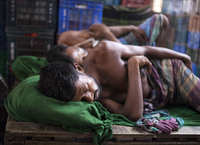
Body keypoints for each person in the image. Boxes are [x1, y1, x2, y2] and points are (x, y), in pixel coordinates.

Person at [38, 40, 200, 121]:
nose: (89, 97)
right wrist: (133, 64)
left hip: (171, 75)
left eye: (86, 88)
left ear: (78, 68)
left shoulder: (104, 51)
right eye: (82, 99)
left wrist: (183, 56)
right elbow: (133, 114)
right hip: (166, 99)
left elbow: (147, 50)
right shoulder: (96, 101)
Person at [57, 14, 169, 50]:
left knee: (159, 18)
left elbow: (99, 30)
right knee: (160, 19)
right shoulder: (70, 45)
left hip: (121, 43)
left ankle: (149, 44)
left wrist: (132, 28)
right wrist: (107, 34)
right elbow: (122, 52)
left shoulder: (66, 36)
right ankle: (148, 45)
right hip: (123, 50)